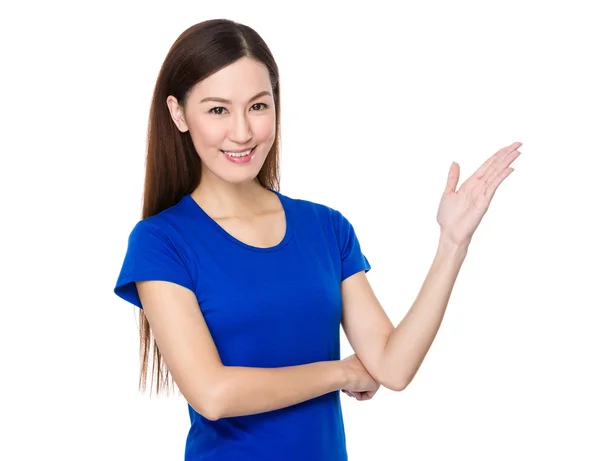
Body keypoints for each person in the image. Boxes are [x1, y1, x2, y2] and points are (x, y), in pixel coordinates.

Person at [113, 18, 522, 461]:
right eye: (218, 110)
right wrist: (340, 373)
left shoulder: (326, 228)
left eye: (258, 106)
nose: (242, 132)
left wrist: (452, 243)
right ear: (178, 114)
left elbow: (393, 366)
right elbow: (213, 394)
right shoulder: (161, 241)